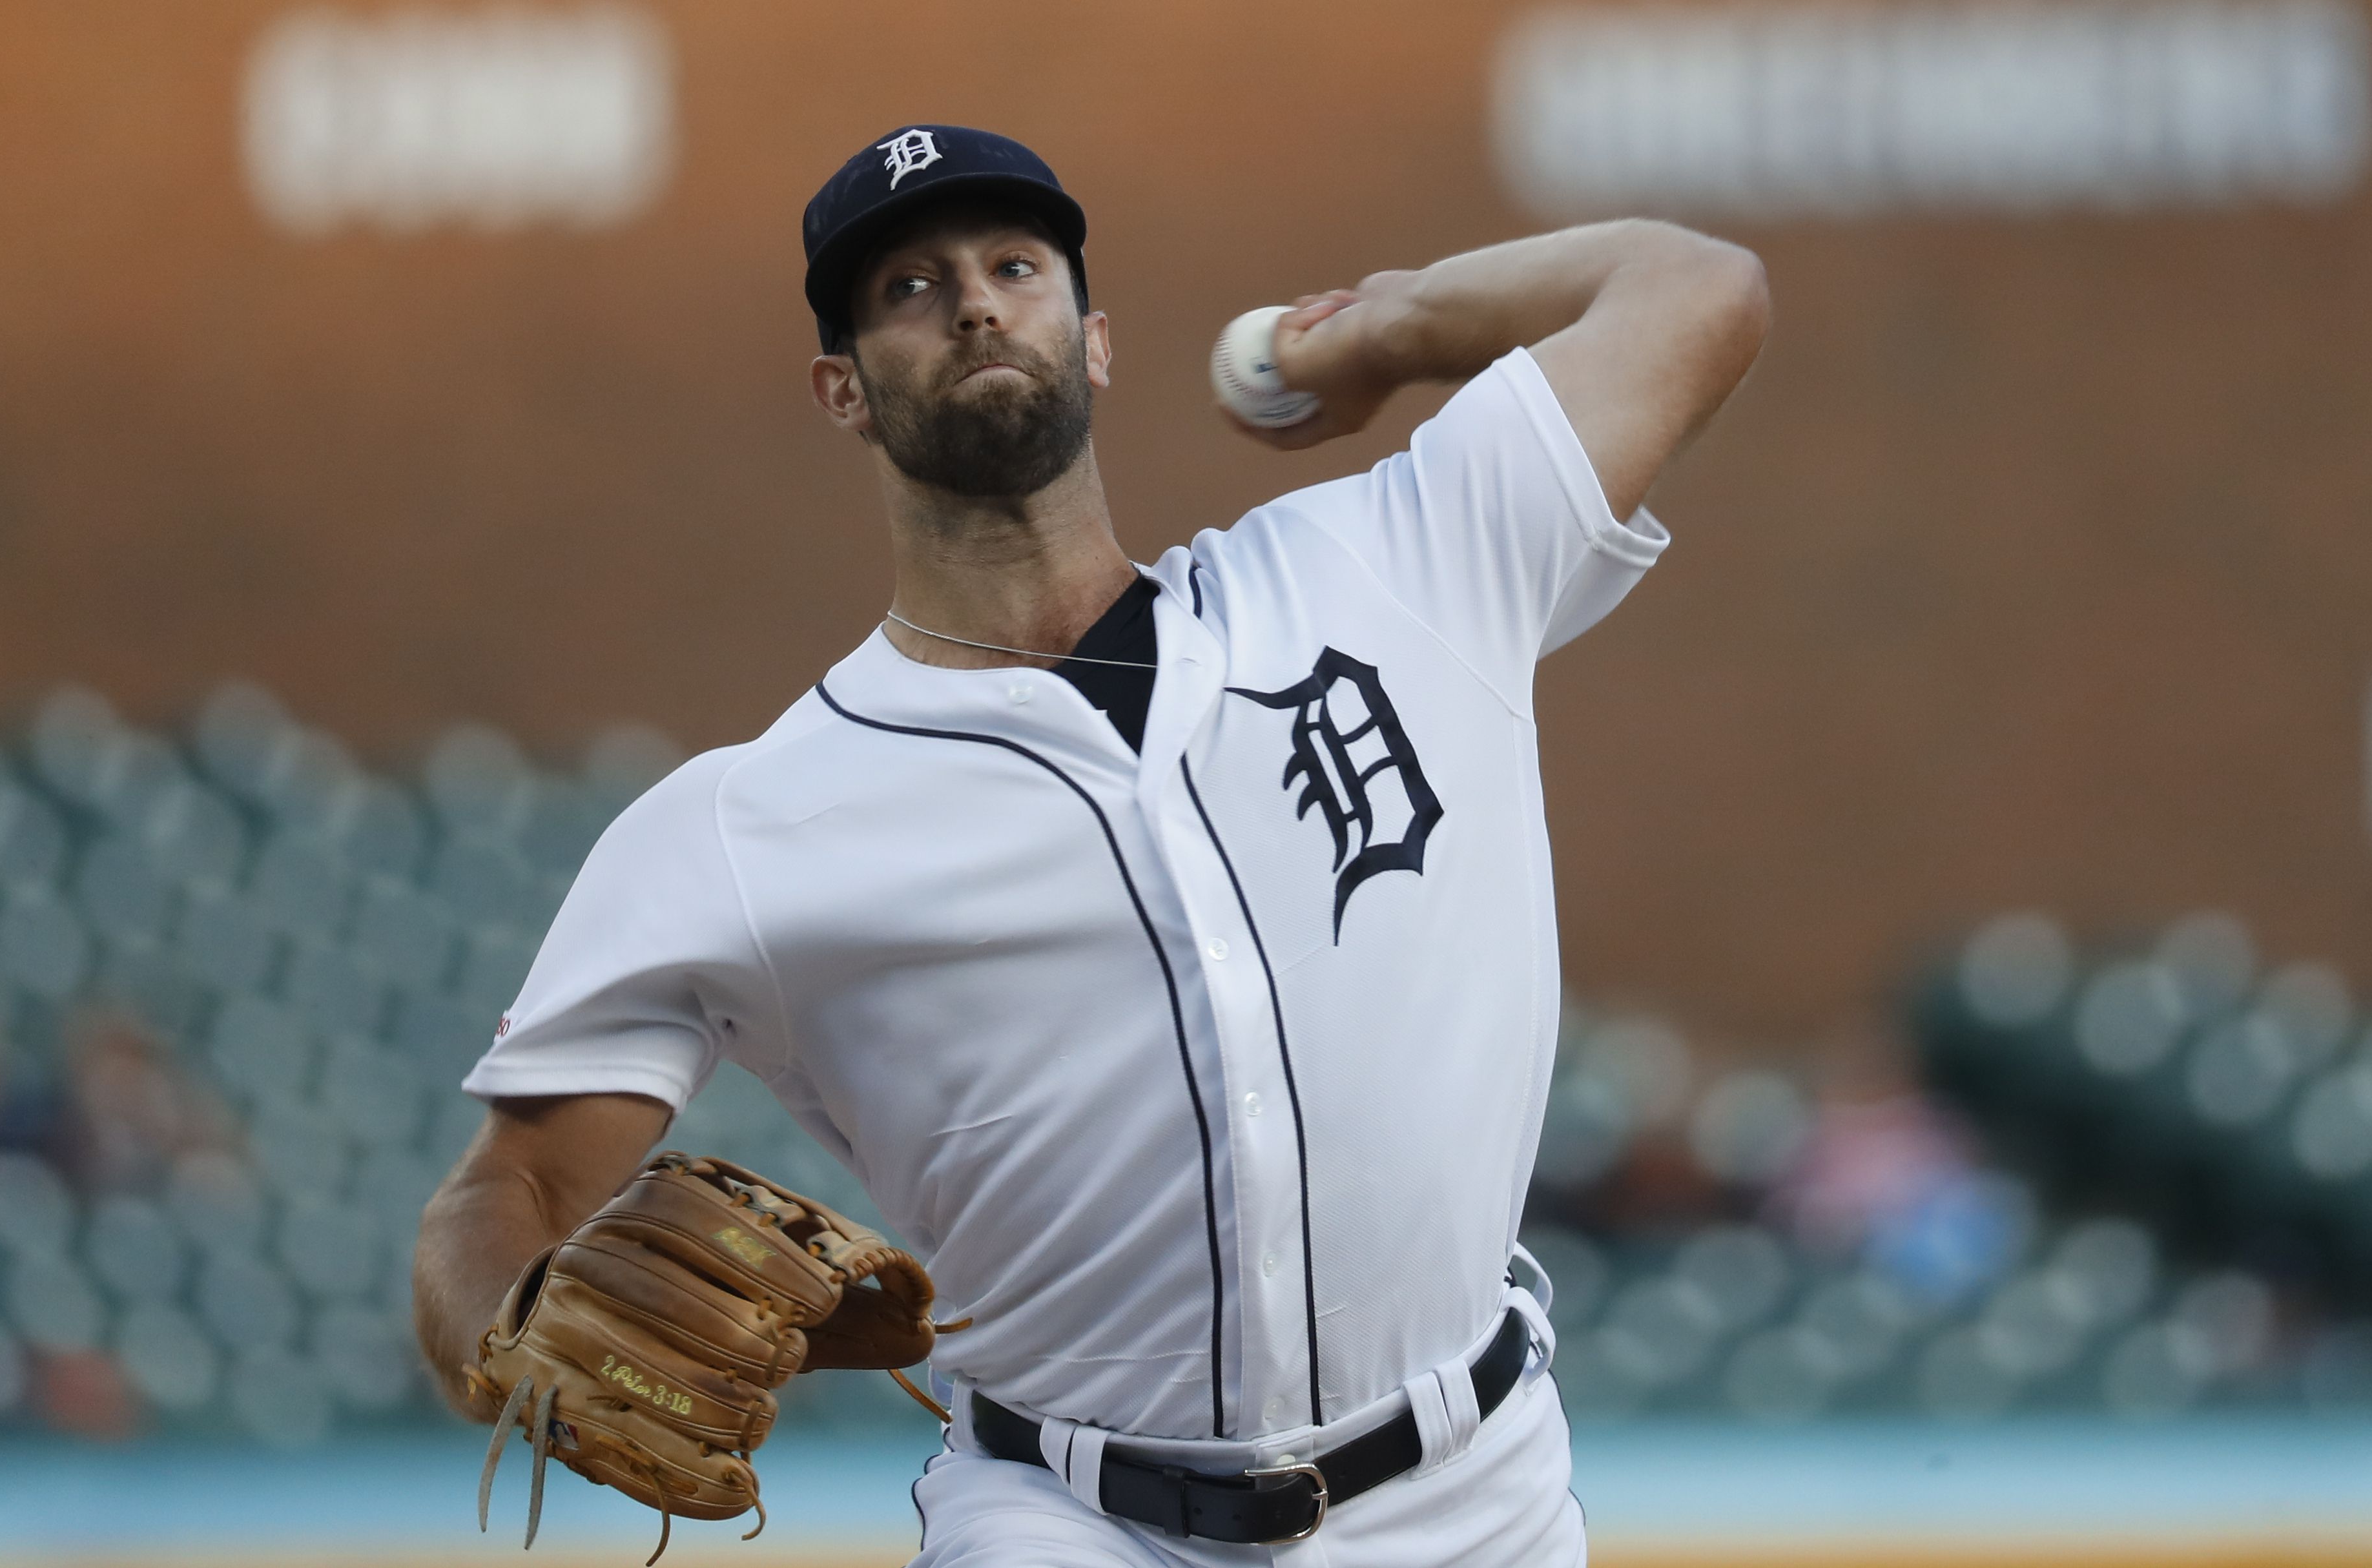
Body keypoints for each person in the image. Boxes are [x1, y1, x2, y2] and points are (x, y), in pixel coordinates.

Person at [414, 123, 1767, 1566]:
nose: (977, 302)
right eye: (910, 289)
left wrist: (1384, 328)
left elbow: (1694, 287)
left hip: (1473, 1500)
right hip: (1068, 1519)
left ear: (1096, 338)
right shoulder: (740, 825)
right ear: (842, 390)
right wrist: (504, 1337)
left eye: (1015, 265)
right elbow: (504, 1198)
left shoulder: (1390, 568)